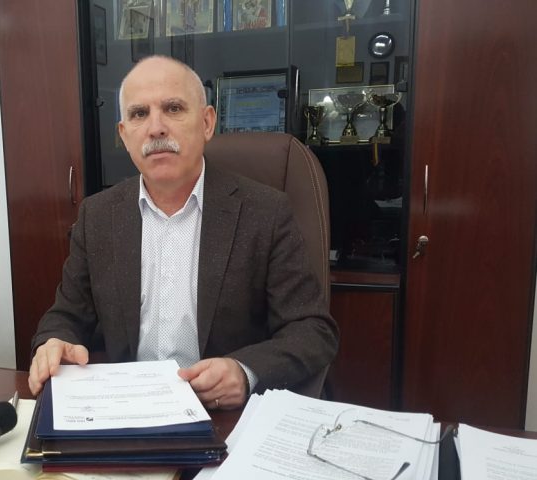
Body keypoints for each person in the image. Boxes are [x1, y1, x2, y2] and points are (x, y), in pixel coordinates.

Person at [29, 55, 338, 410]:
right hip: (128, 408)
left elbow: (312, 330)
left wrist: (245, 371)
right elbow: (66, 316)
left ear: (207, 123)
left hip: (222, 413)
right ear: (124, 135)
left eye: (173, 108)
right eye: (139, 114)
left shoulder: (264, 211)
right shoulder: (98, 216)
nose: (156, 128)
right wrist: (54, 342)